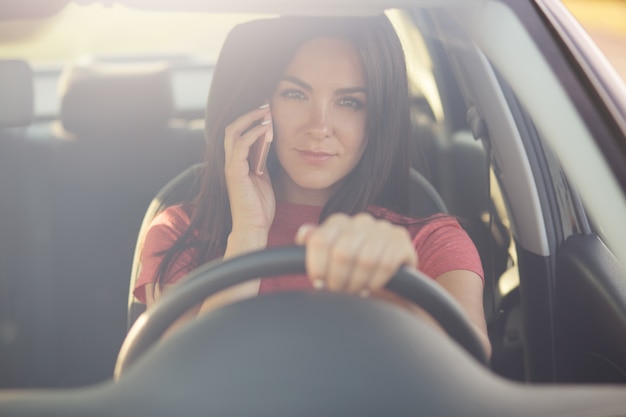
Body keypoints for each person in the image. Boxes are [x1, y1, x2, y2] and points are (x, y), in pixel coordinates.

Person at [133, 15, 491, 356]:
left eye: (349, 102)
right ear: (263, 105)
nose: (319, 126)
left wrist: (389, 288)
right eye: (295, 94)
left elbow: (470, 374)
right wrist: (248, 235)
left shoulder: (434, 244)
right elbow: (175, 384)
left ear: (377, 120)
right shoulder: (180, 232)